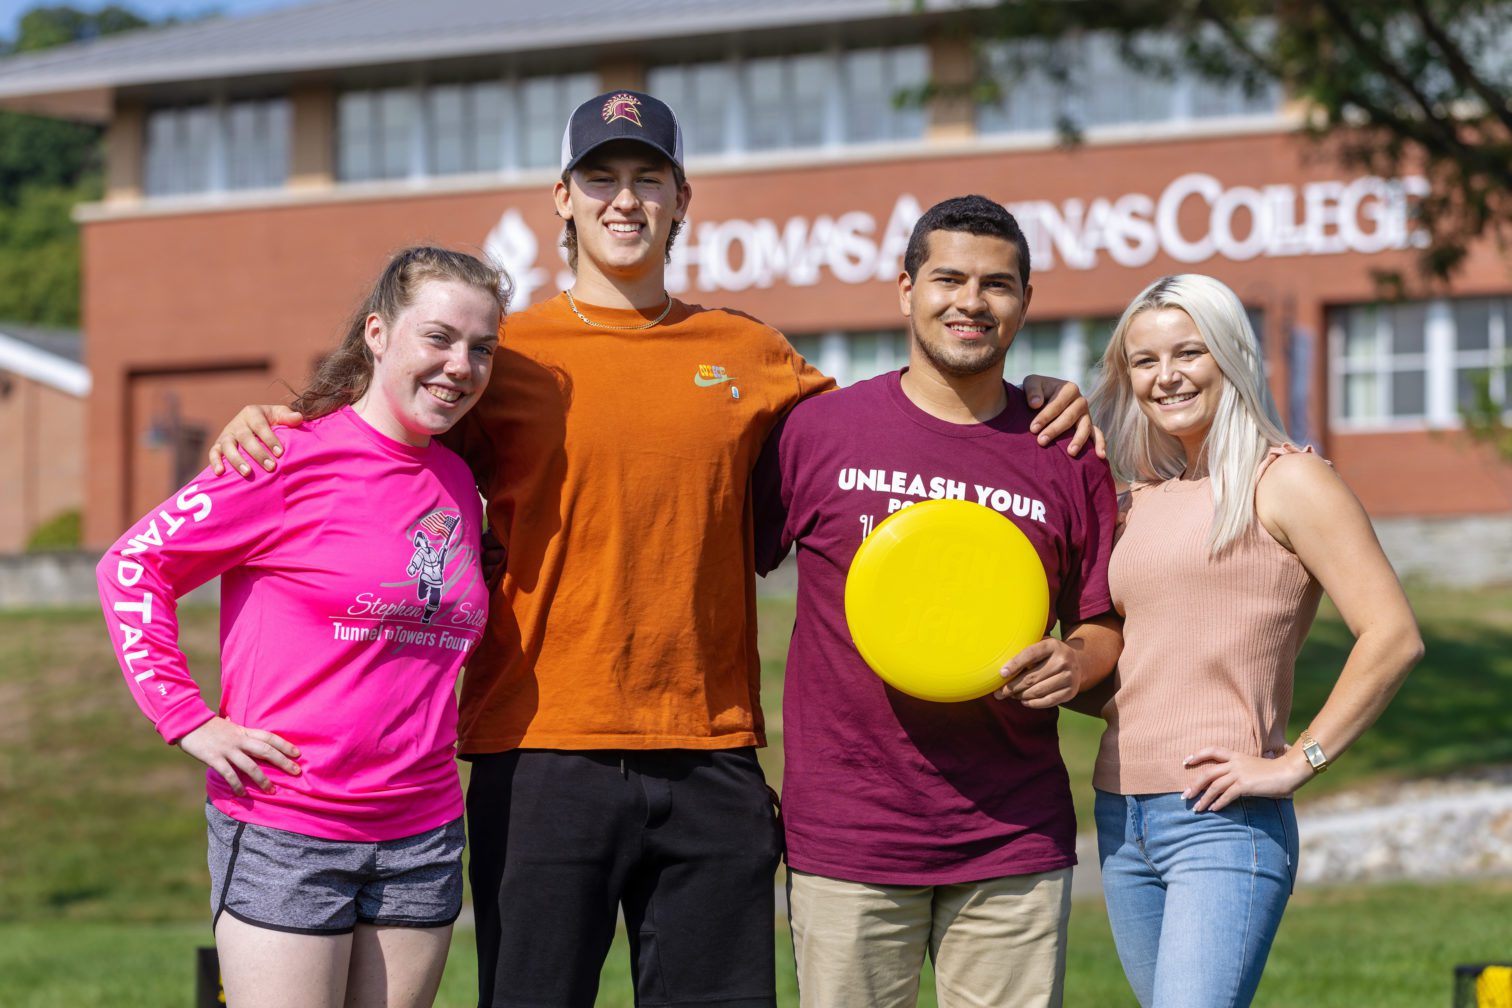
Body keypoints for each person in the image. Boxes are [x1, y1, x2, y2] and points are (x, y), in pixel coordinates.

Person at [205, 92, 1099, 1008]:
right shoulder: (499, 356)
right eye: (601, 178)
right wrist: (285, 423)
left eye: (647, 179)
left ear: (682, 199)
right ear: (563, 196)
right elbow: (383, 431)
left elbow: (900, 423)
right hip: (541, 751)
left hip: (711, 756)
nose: (623, 200)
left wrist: (1029, 401)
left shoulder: (751, 354)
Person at [97, 246, 508, 1008]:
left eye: (481, 348)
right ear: (379, 334)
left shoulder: (460, 482)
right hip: (289, 824)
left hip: (423, 830)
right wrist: (189, 720)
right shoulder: (279, 455)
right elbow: (131, 568)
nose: (461, 365)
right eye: (440, 338)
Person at [752, 194, 1122, 1008]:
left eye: (997, 285)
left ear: (1024, 303)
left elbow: (1102, 623)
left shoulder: (1063, 450)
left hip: (1010, 835)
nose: (971, 302)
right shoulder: (820, 433)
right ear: (905, 289)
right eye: (948, 278)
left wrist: (1076, 660)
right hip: (849, 832)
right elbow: (716, 569)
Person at [1080, 274, 1423, 1007]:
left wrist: (1301, 760)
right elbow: (1142, 666)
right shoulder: (1138, 501)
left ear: (1231, 352)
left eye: (1188, 352)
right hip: (1120, 819)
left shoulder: (1289, 480)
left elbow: (1392, 636)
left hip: (1221, 823)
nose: (1166, 376)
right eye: (1144, 361)